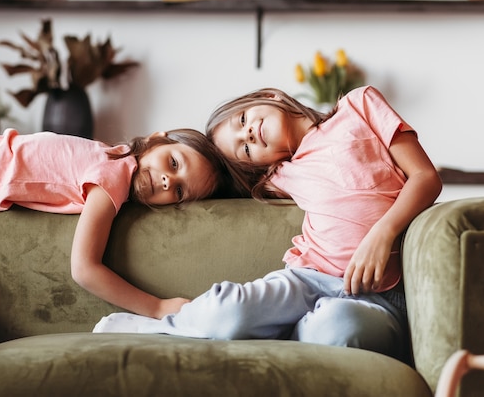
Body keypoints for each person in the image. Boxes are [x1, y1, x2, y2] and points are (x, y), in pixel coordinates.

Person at [93, 85, 442, 362]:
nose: (248, 135)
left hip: (377, 296)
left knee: (340, 327)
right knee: (231, 312)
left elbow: (426, 177)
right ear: (259, 166)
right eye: (244, 150)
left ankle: (290, 334)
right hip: (308, 279)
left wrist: (383, 234)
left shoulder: (359, 106)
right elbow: (194, 179)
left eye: (242, 119)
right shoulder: (279, 175)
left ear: (269, 96)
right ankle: (155, 329)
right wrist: (132, 172)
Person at [0, 122, 229, 319]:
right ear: (155, 140)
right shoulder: (113, 176)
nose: (168, 181)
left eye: (179, 192)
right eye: (174, 163)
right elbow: (84, 269)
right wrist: (158, 306)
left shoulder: (113, 158)